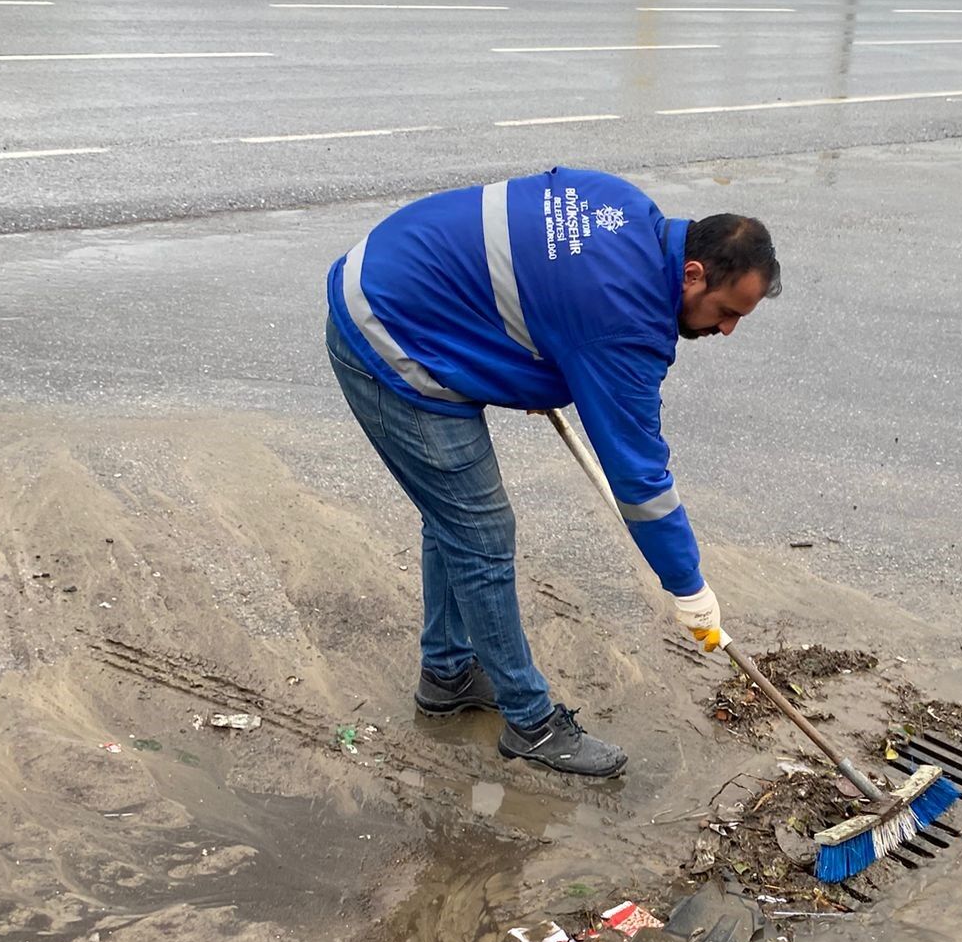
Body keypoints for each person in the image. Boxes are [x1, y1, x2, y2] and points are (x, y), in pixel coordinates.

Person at [325, 167, 780, 777]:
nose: (726, 330)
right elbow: (640, 479)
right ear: (692, 274)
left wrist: (539, 354)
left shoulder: (625, 207)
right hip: (389, 332)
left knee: (454, 516)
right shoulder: (625, 319)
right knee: (480, 533)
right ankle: (530, 725)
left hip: (397, 276)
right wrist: (688, 584)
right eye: (726, 312)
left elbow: (541, 276)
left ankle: (449, 672)